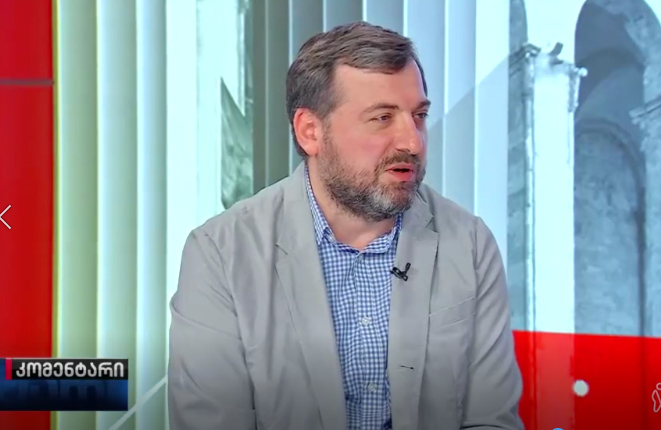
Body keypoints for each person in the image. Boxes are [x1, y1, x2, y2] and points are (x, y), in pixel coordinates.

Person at [167, 21, 524, 430]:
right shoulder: (221, 254)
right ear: (310, 132)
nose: (412, 141)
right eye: (382, 118)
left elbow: (491, 420)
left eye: (419, 116)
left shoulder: (470, 244)